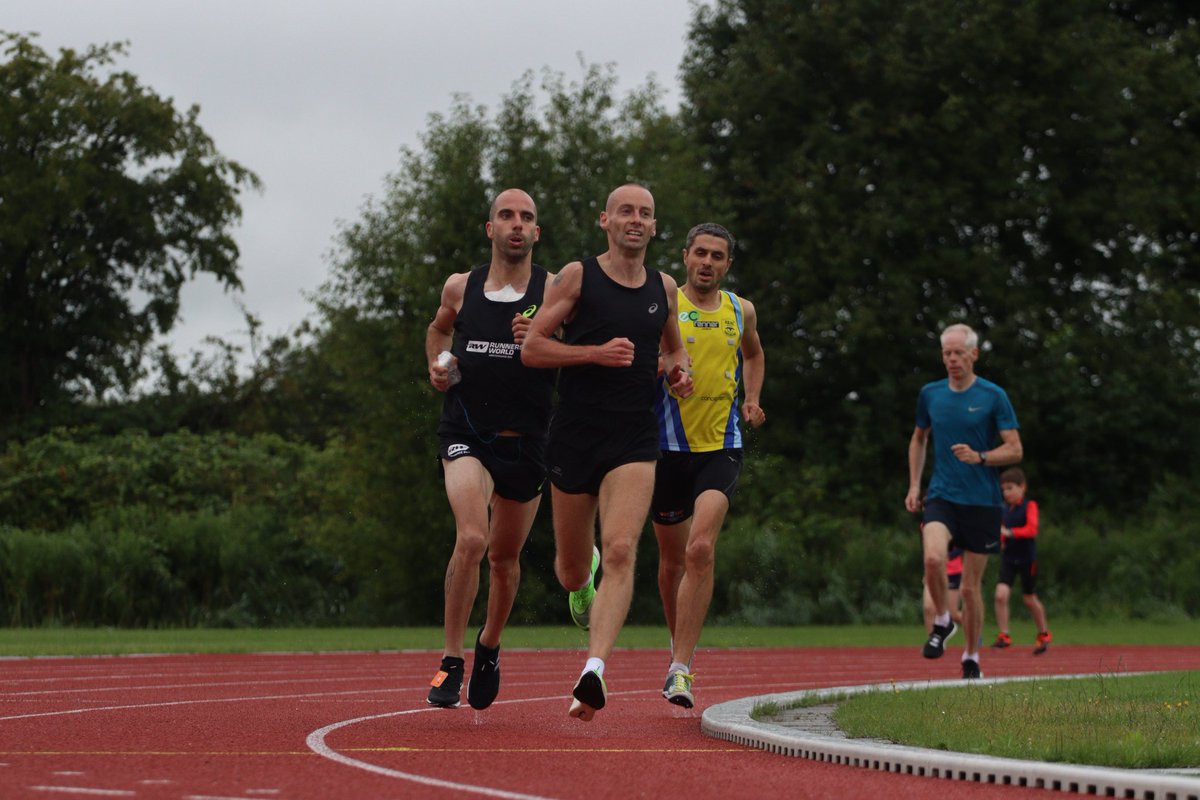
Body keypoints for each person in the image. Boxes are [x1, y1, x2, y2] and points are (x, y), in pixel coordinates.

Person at [521, 183, 693, 721]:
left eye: (645, 213)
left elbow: (673, 346)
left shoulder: (663, 288)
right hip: (574, 435)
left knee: (621, 549)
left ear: (654, 226)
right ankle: (581, 583)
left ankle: (593, 670)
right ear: (606, 221)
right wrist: (595, 353)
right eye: (626, 211)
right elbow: (532, 349)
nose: (635, 220)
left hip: (634, 439)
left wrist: (677, 372)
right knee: (572, 569)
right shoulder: (578, 276)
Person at [423, 188, 555, 710]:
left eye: (526, 217)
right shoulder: (461, 286)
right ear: (490, 228)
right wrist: (438, 365)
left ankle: (490, 646)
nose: (516, 224)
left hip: (527, 440)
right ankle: (451, 660)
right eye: (507, 216)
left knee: (504, 559)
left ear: (537, 233)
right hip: (466, 432)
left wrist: (542, 337)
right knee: (472, 538)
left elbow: (576, 346)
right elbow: (437, 331)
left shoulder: (556, 289)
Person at [650, 222, 765, 709]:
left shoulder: (742, 310)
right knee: (672, 561)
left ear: (728, 264)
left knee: (700, 550)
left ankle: (680, 667)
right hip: (664, 450)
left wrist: (753, 399)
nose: (707, 263)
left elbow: (754, 354)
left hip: (721, 447)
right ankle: (680, 653)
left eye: (717, 256)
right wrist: (666, 370)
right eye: (700, 253)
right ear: (685, 255)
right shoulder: (665, 301)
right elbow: (639, 359)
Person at [905, 323, 1023, 680]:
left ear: (974, 354)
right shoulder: (930, 394)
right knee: (932, 558)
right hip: (942, 495)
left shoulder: (993, 395)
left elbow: (1015, 449)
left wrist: (981, 457)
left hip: (983, 502)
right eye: (946, 353)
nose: (952, 359)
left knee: (971, 590)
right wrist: (914, 485)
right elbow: (918, 439)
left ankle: (971, 656)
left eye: (958, 353)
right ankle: (942, 619)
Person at [992, 467, 1052, 654]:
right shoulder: (1004, 509)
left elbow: (1031, 529)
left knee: (1029, 598)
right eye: (1004, 489)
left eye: (1010, 488)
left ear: (1022, 487)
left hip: (1027, 559)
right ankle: (1004, 635)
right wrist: (1000, 541)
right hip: (1009, 558)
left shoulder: (1030, 506)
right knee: (1000, 595)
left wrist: (1009, 533)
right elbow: (1000, 530)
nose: (1006, 493)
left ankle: (1043, 633)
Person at [923, 544, 964, 635]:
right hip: (933, 569)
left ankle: (974, 629)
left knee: (953, 614)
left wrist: (947, 557)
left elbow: (963, 543)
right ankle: (934, 642)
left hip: (952, 571)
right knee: (929, 609)